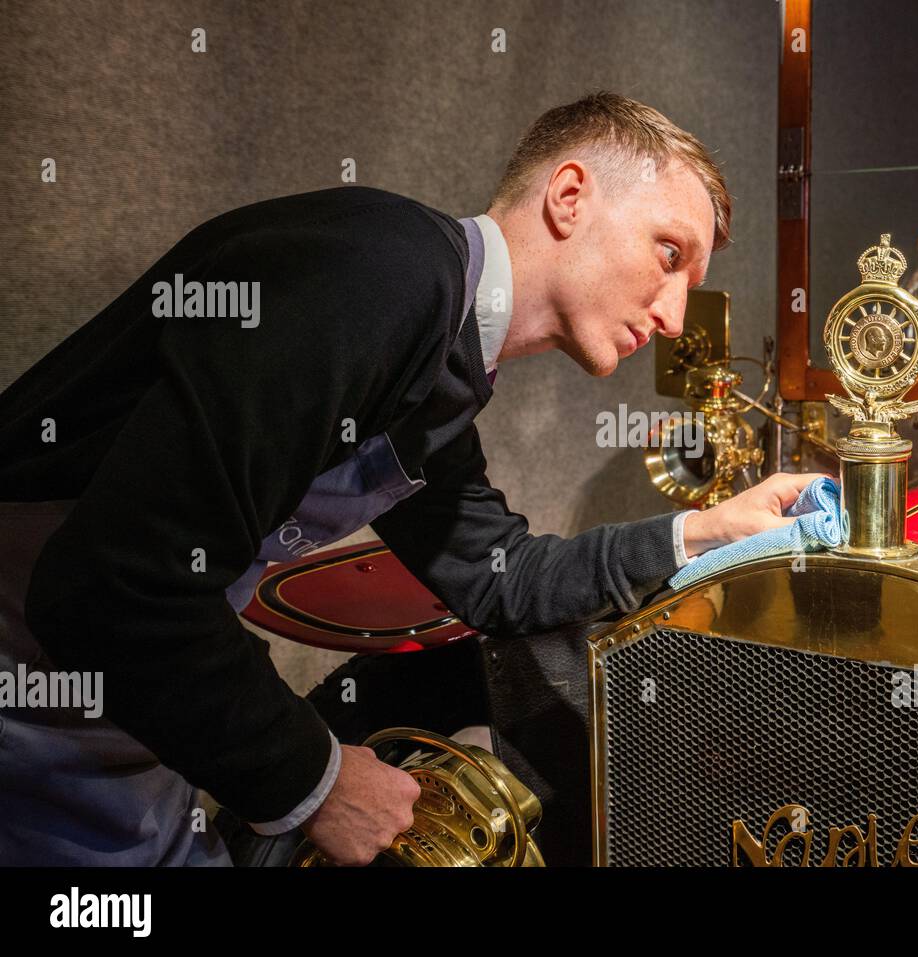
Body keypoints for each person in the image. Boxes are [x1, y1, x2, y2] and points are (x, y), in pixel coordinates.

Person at [0, 91, 820, 866]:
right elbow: (112, 584)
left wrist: (704, 531)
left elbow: (503, 577)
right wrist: (315, 779)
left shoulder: (435, 350)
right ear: (570, 196)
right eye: (668, 254)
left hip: (123, 715)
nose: (676, 317)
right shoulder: (381, 274)